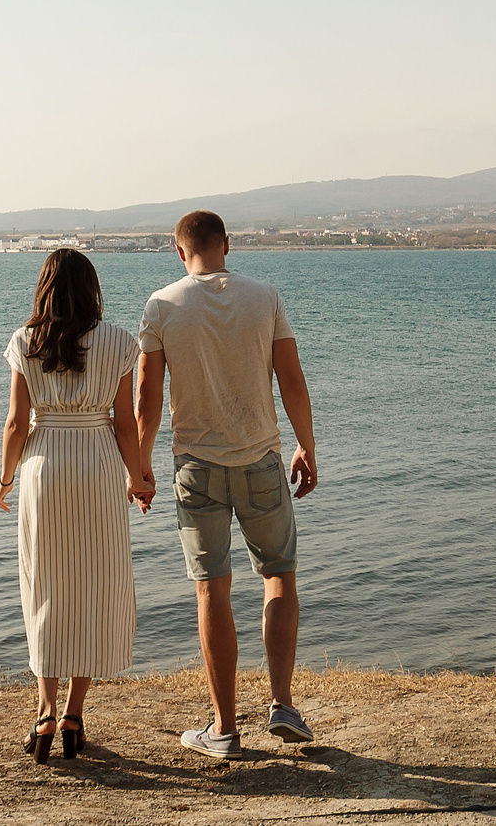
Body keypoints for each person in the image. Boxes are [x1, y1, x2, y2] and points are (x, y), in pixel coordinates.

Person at [132, 210, 320, 758]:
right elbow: (291, 380)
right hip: (261, 459)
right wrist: (306, 445)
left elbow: (146, 398)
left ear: (179, 250)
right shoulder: (265, 297)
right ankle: (282, 704)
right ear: (227, 245)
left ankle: (224, 729)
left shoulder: (161, 305)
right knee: (279, 575)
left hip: (196, 467)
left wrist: (139, 467)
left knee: (212, 588)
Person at [0, 248, 153, 761]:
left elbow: (17, 423)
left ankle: (44, 713)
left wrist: (5, 479)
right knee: (95, 586)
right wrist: (138, 477)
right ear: (91, 289)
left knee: (44, 586)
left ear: (44, 289)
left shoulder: (26, 341)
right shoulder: (118, 341)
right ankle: (74, 715)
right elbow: (125, 424)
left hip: (44, 467)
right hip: (98, 464)